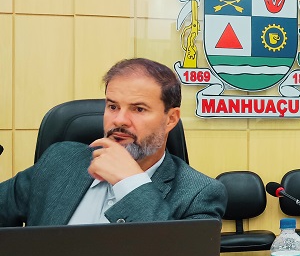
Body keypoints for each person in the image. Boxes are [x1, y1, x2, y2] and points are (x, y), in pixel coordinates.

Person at [0, 58, 226, 226]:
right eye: (113, 106)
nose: (119, 120)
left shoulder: (198, 194)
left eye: (138, 109)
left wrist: (132, 184)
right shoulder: (60, 160)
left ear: (171, 119)